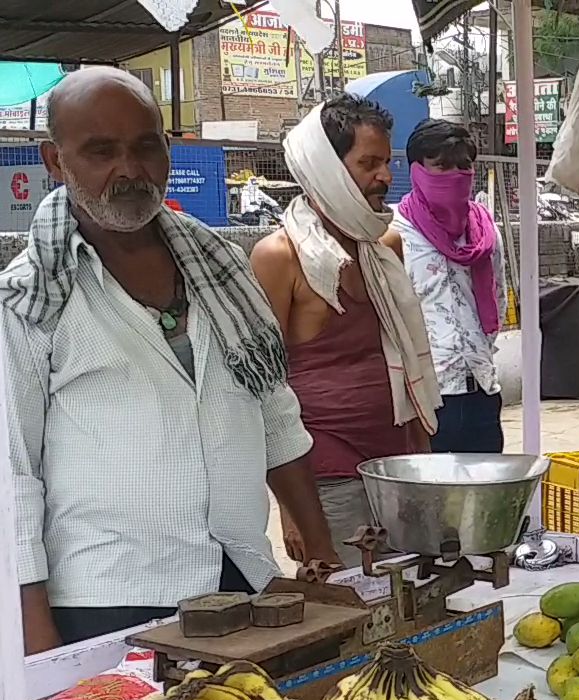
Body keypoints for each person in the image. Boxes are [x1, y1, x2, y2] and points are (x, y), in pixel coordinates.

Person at [2, 67, 338, 653]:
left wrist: (320, 550)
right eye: (101, 151)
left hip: (241, 576)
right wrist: (37, 641)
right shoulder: (29, 299)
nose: (128, 171)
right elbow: (13, 478)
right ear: (55, 161)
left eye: (144, 147)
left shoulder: (223, 270)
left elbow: (276, 416)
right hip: (107, 597)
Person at [251, 95, 442, 568]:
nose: (384, 177)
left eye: (386, 162)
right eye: (368, 163)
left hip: (396, 460)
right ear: (327, 169)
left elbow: (403, 355)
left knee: (408, 594)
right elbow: (262, 391)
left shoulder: (385, 245)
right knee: (348, 605)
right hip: (326, 468)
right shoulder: (279, 257)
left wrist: (423, 454)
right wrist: (291, 513)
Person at [393, 120, 507, 453]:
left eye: (464, 166)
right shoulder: (393, 234)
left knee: (487, 498)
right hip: (425, 398)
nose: (455, 175)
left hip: (481, 389)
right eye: (441, 166)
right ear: (417, 170)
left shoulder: (485, 233)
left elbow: (496, 300)